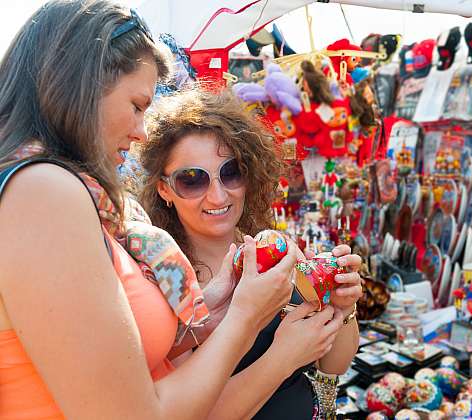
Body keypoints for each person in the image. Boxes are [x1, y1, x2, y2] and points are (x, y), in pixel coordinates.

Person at [0, 2, 298, 419]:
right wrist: (247, 317)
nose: (141, 131)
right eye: (138, 105)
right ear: (81, 88)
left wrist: (219, 302)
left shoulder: (51, 191)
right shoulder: (42, 191)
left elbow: (116, 357)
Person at [138, 88, 362, 419]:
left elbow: (333, 364)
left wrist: (344, 309)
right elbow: (195, 414)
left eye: (231, 172)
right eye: (192, 180)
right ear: (164, 189)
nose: (217, 196)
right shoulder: (163, 281)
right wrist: (283, 357)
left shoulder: (277, 251)